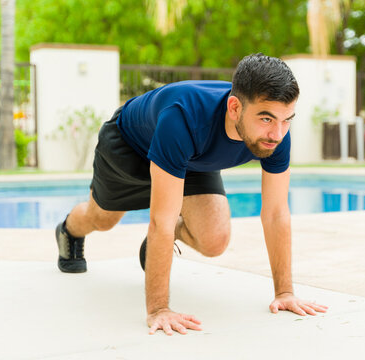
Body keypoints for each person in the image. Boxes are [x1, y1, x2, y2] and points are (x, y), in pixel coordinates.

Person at [55, 53, 328, 336]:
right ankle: (68, 232)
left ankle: (156, 246)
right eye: (266, 118)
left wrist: (284, 292)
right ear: (234, 108)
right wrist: (159, 309)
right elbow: (161, 219)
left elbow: (275, 212)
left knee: (214, 239)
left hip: (193, 157)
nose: (277, 133)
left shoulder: (275, 134)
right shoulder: (182, 117)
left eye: (287, 120)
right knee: (102, 219)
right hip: (129, 148)